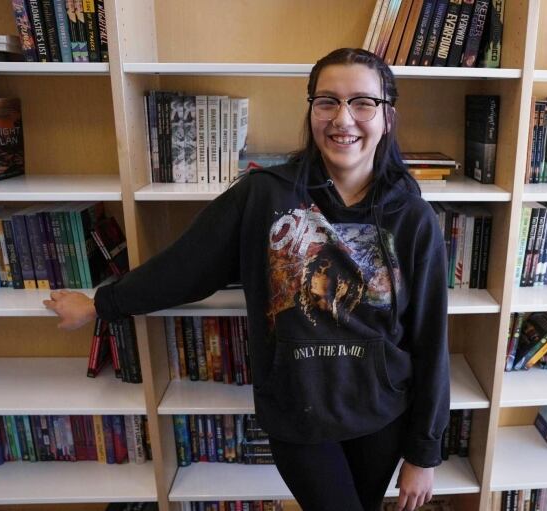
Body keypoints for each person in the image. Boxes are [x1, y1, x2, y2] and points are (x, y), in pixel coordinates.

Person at [44, 48, 450, 511]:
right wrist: (102, 304)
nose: (344, 118)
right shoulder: (264, 195)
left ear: (387, 117)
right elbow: (184, 267)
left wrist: (424, 452)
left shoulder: (413, 217)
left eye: (362, 102)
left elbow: (430, 338)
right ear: (311, 111)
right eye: (327, 102)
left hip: (383, 416)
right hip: (297, 414)